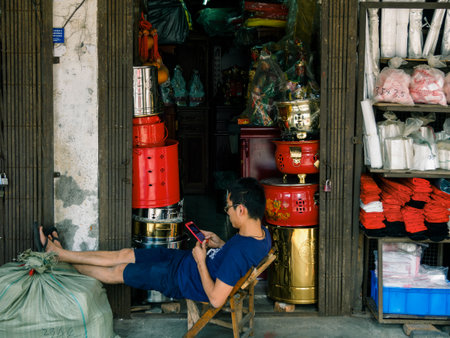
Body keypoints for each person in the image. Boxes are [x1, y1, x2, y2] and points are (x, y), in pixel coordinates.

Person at [39, 177, 271, 308]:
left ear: (241, 210)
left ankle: (60, 260)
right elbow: (233, 259)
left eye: (228, 207)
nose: (226, 213)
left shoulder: (239, 252)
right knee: (125, 253)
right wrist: (219, 243)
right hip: (181, 260)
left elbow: (216, 299)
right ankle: (61, 253)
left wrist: (201, 261)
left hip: (178, 278)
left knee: (120, 270)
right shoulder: (262, 236)